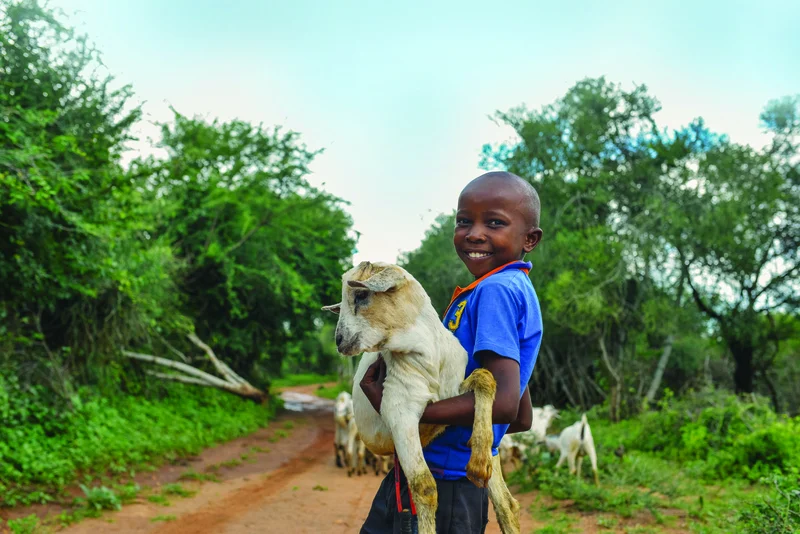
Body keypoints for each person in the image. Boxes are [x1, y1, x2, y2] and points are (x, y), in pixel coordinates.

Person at [359, 171, 545, 533]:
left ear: (530, 239)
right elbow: (520, 415)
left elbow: (503, 406)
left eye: (494, 222)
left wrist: (401, 410)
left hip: (439, 487)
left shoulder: (495, 291)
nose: (475, 233)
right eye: (464, 221)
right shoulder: (506, 289)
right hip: (455, 486)